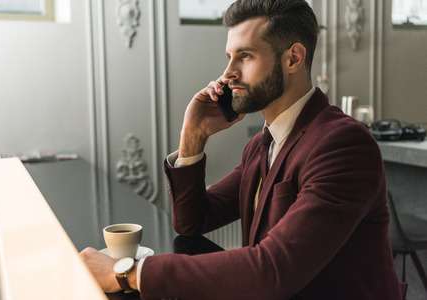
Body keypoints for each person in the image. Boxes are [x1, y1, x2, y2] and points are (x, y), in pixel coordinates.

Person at [80, 0, 403, 299]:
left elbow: (273, 269)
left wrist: (131, 274)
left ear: (293, 58)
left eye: (245, 56)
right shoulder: (261, 146)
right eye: (229, 57)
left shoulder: (343, 145)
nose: (228, 73)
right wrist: (193, 136)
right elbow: (194, 221)